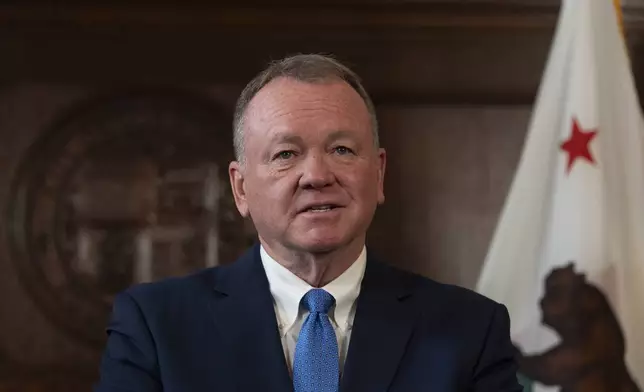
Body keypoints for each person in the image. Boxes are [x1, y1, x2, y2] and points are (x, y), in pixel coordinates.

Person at [94, 54, 522, 392]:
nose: (317, 175)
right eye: (286, 154)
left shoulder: (470, 331)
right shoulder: (155, 327)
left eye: (341, 150)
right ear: (240, 188)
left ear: (379, 174)